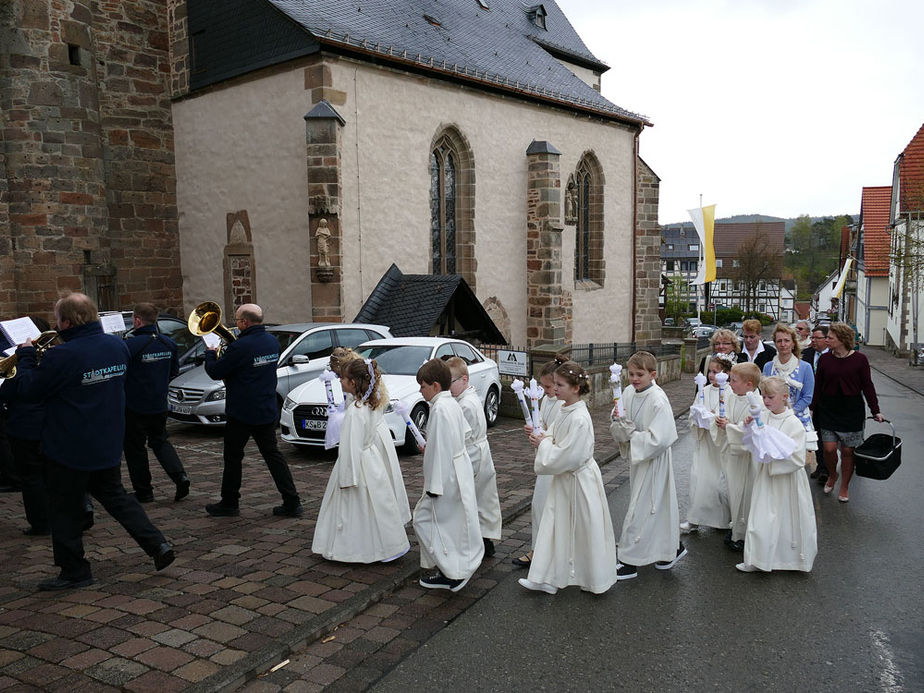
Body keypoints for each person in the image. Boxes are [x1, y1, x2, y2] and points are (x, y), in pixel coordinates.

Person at [14, 293, 174, 590]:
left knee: (63, 509)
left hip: (68, 445)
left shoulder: (61, 355)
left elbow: (28, 390)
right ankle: (157, 545)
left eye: (57, 318)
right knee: (118, 499)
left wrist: (25, 357)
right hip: (106, 439)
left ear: (66, 321)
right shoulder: (117, 346)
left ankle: (75, 571)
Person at [519, 360, 618, 594]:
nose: (555, 389)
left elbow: (570, 455)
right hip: (564, 480)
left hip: (578, 481)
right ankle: (547, 577)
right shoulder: (565, 409)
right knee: (554, 525)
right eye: (554, 384)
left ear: (575, 388)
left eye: (560, 385)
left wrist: (543, 444)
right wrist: (539, 435)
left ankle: (594, 578)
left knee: (583, 528)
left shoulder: (580, 417)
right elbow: (554, 436)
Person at [203, 303, 302, 517]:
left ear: (245, 322)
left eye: (237, 321)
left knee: (232, 457)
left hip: (242, 412)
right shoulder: (272, 341)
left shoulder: (240, 347)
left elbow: (215, 371)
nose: (236, 325)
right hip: (265, 409)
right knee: (273, 456)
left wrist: (211, 353)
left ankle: (230, 502)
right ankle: (292, 500)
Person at [312, 358, 410, 563]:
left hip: (357, 462)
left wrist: (347, 477)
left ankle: (355, 549)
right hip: (372, 460)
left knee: (356, 506)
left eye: (343, 378)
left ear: (353, 383)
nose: (339, 381)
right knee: (377, 504)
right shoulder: (372, 404)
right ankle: (384, 544)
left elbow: (350, 447)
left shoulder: (356, 411)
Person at [610, 351, 684, 581]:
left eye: (639, 374)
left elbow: (661, 438)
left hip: (654, 460)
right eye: (631, 374)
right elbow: (619, 419)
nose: (634, 379)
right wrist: (619, 423)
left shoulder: (658, 400)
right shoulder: (629, 392)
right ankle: (670, 548)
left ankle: (630, 561)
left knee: (643, 508)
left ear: (653, 374)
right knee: (656, 508)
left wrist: (632, 434)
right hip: (639, 459)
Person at [413, 358, 483, 591]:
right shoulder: (450, 403)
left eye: (422, 386)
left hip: (446, 477)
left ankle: (454, 572)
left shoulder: (441, 408)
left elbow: (441, 451)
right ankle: (452, 568)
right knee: (453, 524)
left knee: (425, 520)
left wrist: (434, 487)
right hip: (457, 470)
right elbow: (459, 435)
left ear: (434, 386)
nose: (420, 391)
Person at [736, 376, 817, 573]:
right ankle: (757, 559)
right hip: (766, 478)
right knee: (761, 518)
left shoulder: (794, 424)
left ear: (785, 397)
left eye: (770, 397)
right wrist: (749, 427)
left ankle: (789, 561)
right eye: (763, 396)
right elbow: (751, 441)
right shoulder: (763, 415)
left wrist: (774, 459)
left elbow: (797, 458)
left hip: (787, 480)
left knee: (787, 521)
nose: (766, 401)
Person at [123, 303, 190, 503]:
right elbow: (173, 371)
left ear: (137, 320)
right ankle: (180, 476)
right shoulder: (168, 343)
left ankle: (144, 491)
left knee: (135, 449)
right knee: (160, 441)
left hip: (134, 406)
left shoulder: (130, 345)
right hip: (159, 404)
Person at [810, 322, 883, 503]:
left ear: (842, 339)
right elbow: (818, 385)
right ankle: (833, 475)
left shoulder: (860, 360)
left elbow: (868, 386)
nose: (826, 340)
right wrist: (812, 408)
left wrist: (876, 410)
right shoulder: (825, 360)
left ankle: (844, 486)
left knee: (848, 451)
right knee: (829, 448)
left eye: (830, 338)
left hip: (851, 411)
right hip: (828, 410)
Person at [447, 357, 502, 558]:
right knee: (482, 497)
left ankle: (480, 540)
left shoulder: (466, 404)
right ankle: (484, 538)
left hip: (472, 454)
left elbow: (461, 436)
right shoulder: (468, 397)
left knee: (474, 497)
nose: (449, 388)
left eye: (451, 382)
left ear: (464, 379)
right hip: (479, 451)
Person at [512, 357, 563, 569]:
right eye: (542, 386)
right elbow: (541, 423)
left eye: (549, 386)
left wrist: (543, 437)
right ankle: (537, 548)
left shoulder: (563, 403)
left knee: (553, 508)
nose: (545, 390)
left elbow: (560, 436)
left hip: (556, 462)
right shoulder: (548, 399)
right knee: (539, 506)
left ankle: (552, 552)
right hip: (544, 460)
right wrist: (533, 430)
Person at [682, 353, 733, 534]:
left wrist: (714, 419)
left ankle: (724, 520)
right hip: (705, 444)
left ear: (726, 373)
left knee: (719, 484)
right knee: (699, 479)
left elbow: (730, 417)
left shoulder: (731, 392)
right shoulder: (704, 391)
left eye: (716, 371)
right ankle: (694, 519)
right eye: (710, 371)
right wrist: (697, 418)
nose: (711, 375)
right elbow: (693, 412)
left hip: (720, 446)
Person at [720, 362, 763, 552]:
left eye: (734, 380)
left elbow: (751, 432)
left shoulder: (757, 403)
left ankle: (744, 535)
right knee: (732, 492)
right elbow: (727, 418)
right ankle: (736, 528)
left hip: (748, 459)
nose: (730, 383)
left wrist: (729, 426)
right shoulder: (731, 397)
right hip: (733, 456)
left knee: (746, 494)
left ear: (749, 384)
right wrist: (720, 422)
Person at [762, 323, 814, 416]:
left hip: (798, 417)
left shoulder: (805, 367)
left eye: (786, 340)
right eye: (779, 341)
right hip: (774, 415)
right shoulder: (768, 367)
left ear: (793, 343)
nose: (783, 344)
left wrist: (791, 412)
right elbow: (765, 394)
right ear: (775, 344)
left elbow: (807, 397)